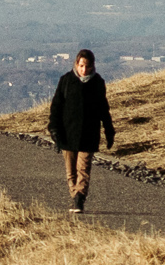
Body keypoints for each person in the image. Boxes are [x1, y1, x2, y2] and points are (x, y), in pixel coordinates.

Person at [43, 48, 115, 212]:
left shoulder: (97, 83)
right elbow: (56, 108)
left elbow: (103, 108)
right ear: (76, 64)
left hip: (89, 134)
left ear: (92, 66)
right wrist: (54, 130)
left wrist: (109, 130)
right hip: (68, 134)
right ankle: (75, 195)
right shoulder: (66, 81)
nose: (84, 70)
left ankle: (79, 199)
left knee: (83, 169)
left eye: (87, 66)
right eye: (81, 66)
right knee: (71, 172)